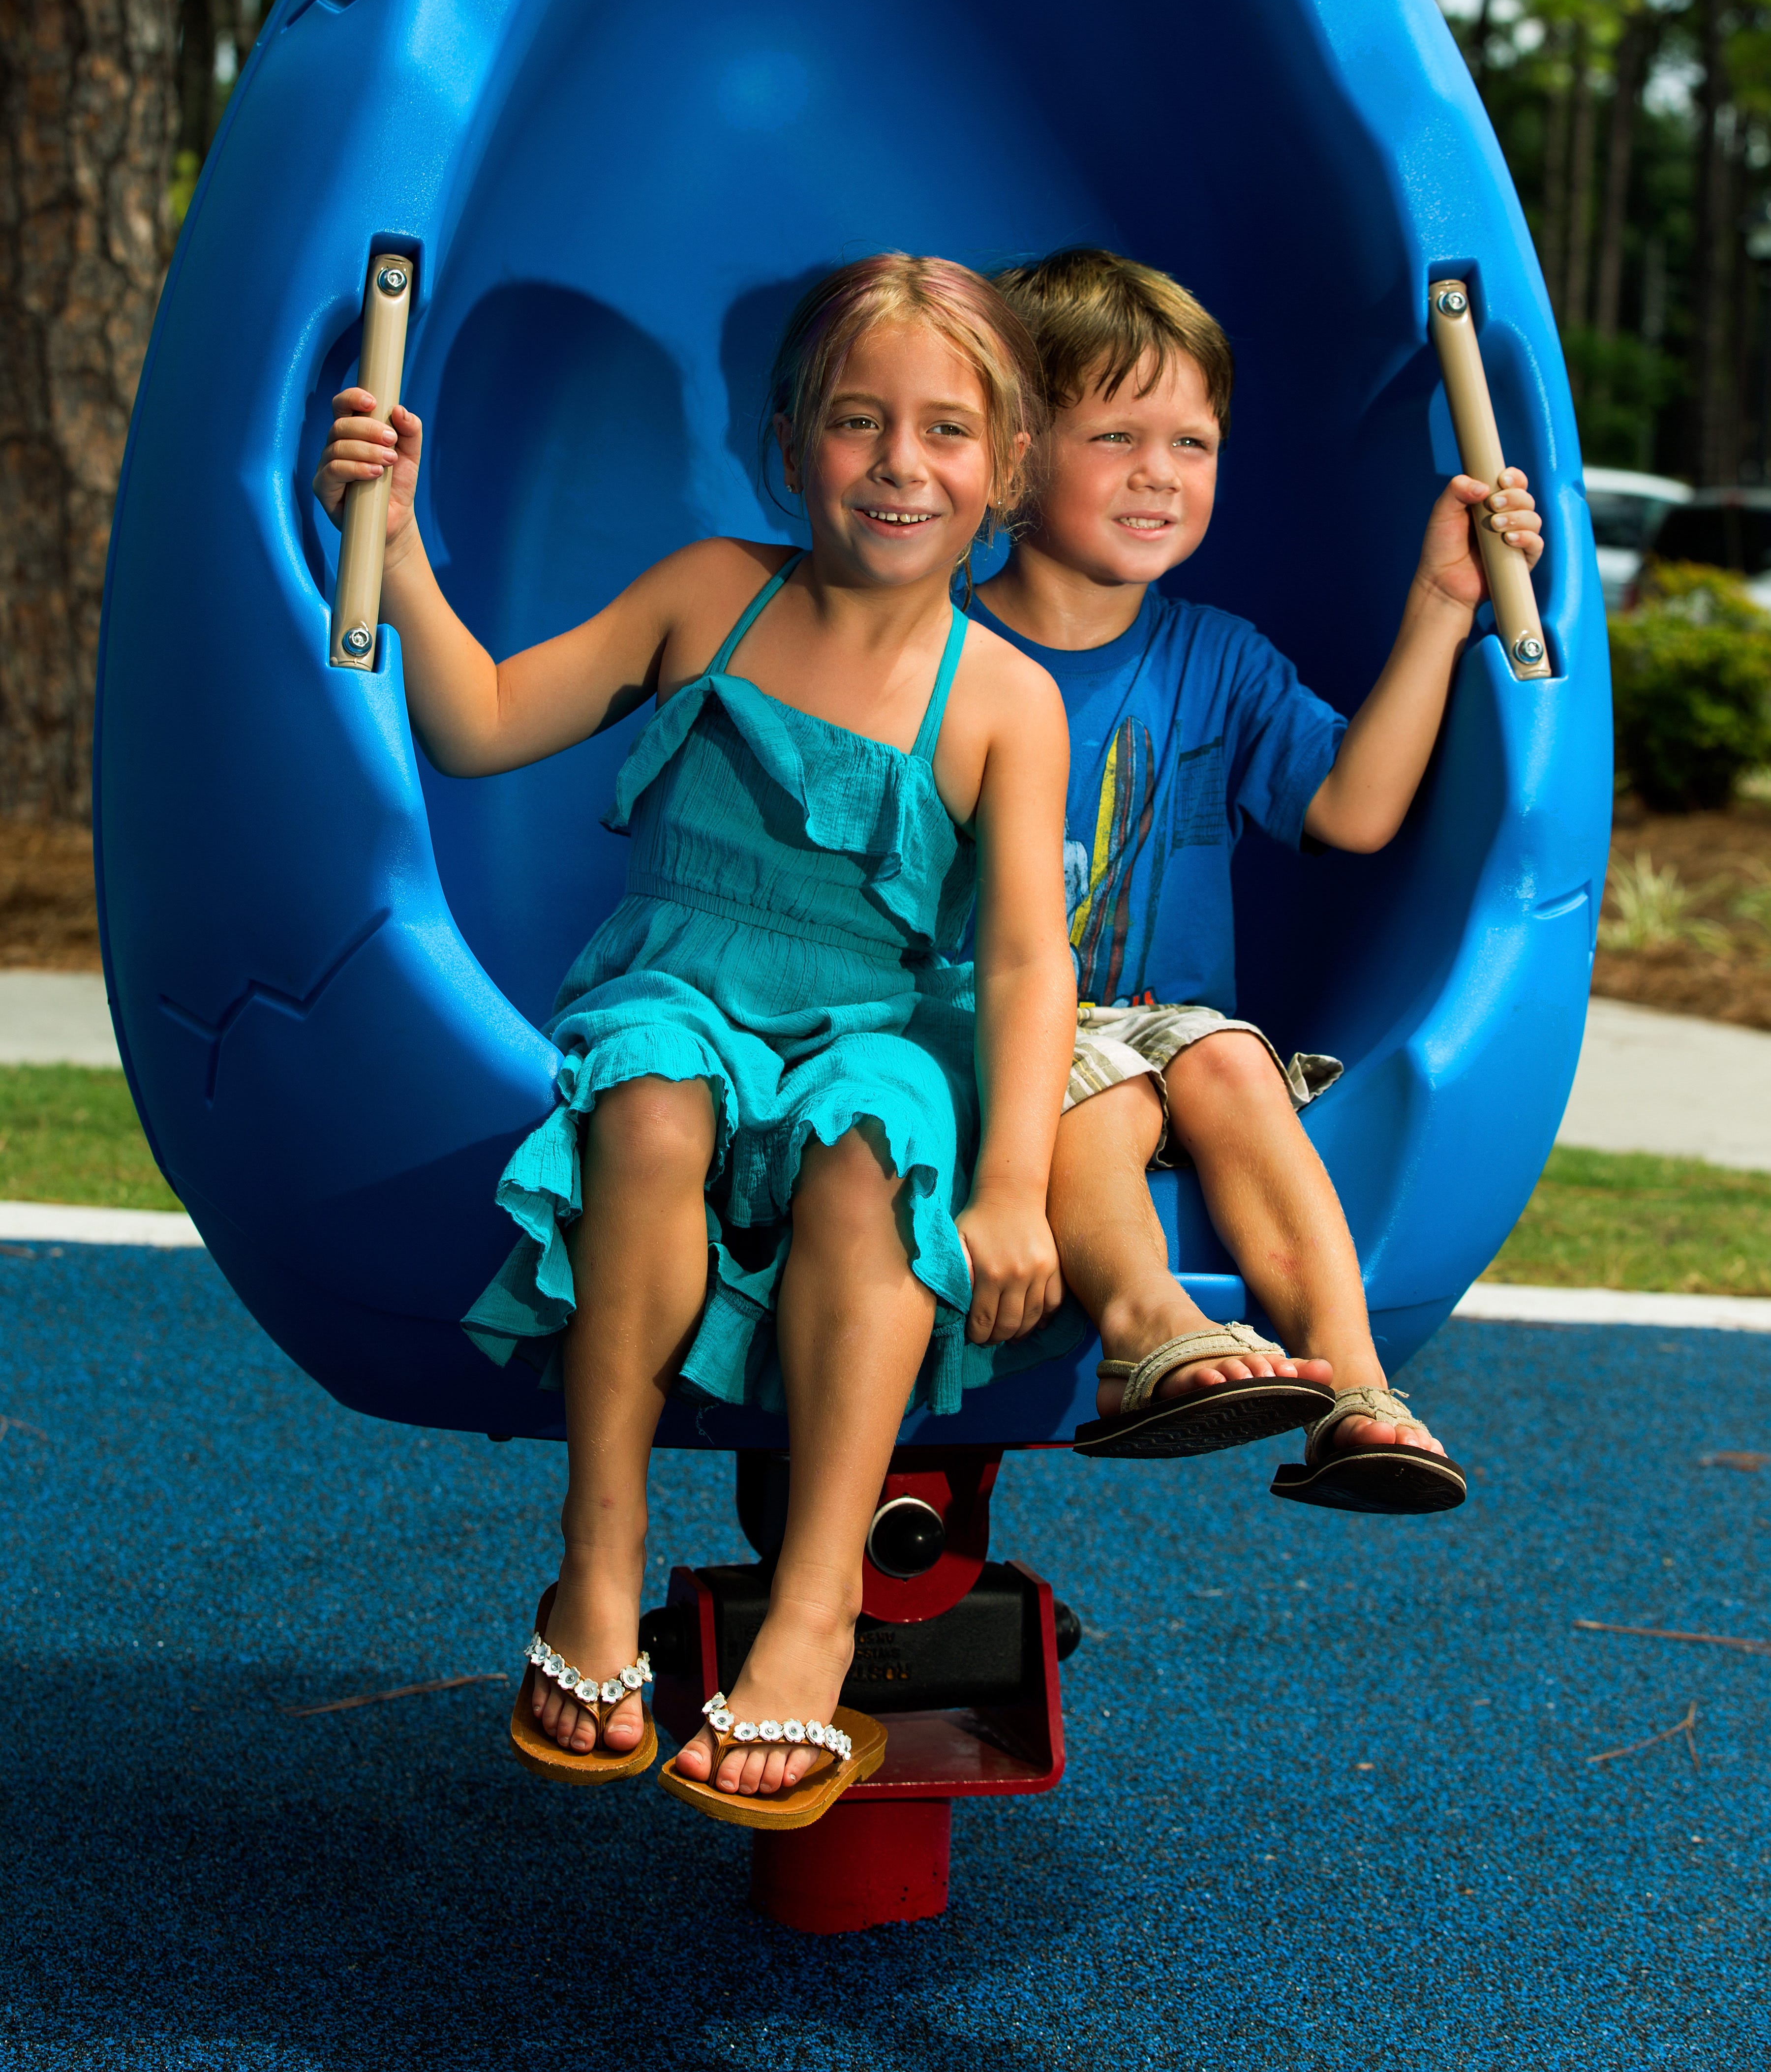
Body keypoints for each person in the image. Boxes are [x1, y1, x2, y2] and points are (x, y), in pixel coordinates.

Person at [314, 254, 1075, 1818]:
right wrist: (381, 539)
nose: (899, 463)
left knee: (875, 1149)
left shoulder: (1002, 698)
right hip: (686, 992)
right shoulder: (713, 592)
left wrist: (1012, 1183)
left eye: (944, 431)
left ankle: (815, 1616)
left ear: (1005, 469)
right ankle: (597, 1568)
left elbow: (1018, 962)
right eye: (859, 422)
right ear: (788, 441)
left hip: (873, 1022)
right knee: (650, 1094)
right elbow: (480, 724)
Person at [972, 248, 1545, 1514]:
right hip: (989, 1031)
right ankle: (1141, 1332)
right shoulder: (938, 650)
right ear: (1010, 454)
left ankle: (1355, 1387)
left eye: (1194, 443)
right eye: (1117, 434)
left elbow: (1354, 809)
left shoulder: (1216, 657)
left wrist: (1443, 608)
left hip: (1163, 1035)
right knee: (1108, 1090)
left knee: (1226, 1056)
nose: (1160, 476)